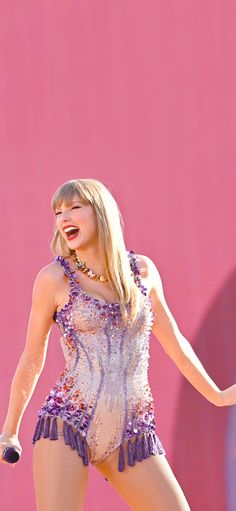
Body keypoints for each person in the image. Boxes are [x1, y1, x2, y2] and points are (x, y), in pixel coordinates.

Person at [0, 178, 235, 511]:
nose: (64, 216)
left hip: (131, 432)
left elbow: (174, 341)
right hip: (68, 424)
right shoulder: (53, 279)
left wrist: (218, 395)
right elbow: (32, 357)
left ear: (100, 212)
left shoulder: (143, 273)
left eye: (74, 207)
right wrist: (9, 431)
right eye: (58, 211)